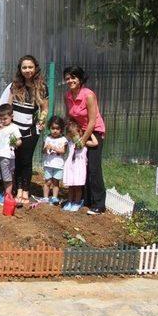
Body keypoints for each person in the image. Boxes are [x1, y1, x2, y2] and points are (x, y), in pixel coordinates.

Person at [0, 55, 48, 205]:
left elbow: (45, 108)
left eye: (30, 67)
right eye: (24, 67)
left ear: (35, 68)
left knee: (26, 160)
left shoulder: (42, 87)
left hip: (31, 130)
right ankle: (17, 189)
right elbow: (9, 106)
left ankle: (25, 190)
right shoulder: (15, 85)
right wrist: (4, 123)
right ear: (20, 69)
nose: (27, 70)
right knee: (16, 159)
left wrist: (42, 121)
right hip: (14, 129)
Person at [63, 65, 107, 215]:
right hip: (79, 133)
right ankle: (86, 199)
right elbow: (70, 117)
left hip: (94, 133)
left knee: (94, 168)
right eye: (67, 78)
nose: (70, 80)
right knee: (82, 167)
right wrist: (72, 134)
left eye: (73, 77)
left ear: (80, 79)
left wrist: (82, 140)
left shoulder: (88, 95)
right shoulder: (68, 96)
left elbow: (92, 121)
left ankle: (99, 204)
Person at [62, 121, 99, 212]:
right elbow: (64, 139)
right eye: (72, 135)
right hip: (71, 166)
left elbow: (95, 143)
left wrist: (89, 133)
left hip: (79, 167)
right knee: (71, 186)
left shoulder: (84, 142)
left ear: (80, 133)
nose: (74, 137)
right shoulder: (70, 142)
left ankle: (77, 202)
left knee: (78, 186)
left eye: (76, 135)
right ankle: (70, 201)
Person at [0, 104, 22, 202]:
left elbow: (19, 141)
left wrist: (15, 142)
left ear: (11, 117)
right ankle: (5, 193)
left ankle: (8, 195)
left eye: (5, 118)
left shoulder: (13, 128)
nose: (3, 121)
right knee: (2, 176)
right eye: (1, 118)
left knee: (7, 176)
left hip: (7, 156)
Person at [41, 116, 67, 205]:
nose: (55, 131)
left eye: (57, 129)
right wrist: (46, 148)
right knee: (47, 181)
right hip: (48, 164)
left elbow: (63, 151)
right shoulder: (47, 138)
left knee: (56, 182)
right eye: (53, 128)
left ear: (61, 129)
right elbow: (43, 150)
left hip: (58, 165)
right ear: (49, 128)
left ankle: (55, 197)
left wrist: (54, 148)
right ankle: (45, 197)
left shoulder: (63, 139)